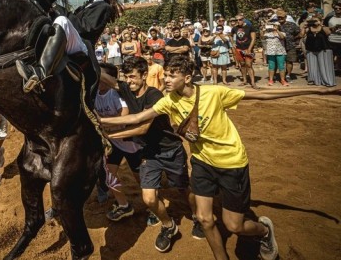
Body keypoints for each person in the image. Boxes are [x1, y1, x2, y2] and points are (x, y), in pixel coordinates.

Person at [100, 56, 339, 260]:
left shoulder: (214, 93)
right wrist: (97, 121)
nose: (166, 80)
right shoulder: (168, 100)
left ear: (188, 76)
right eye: (166, 76)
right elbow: (135, 119)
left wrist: (319, 89)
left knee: (234, 224)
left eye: (172, 76)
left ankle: (264, 231)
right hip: (202, 162)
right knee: (205, 219)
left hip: (231, 162)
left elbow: (262, 95)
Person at [103, 56, 203, 251]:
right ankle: (168, 226)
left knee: (182, 187)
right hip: (149, 153)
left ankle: (198, 216)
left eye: (133, 77)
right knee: (148, 198)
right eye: (127, 77)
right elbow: (104, 77)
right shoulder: (125, 88)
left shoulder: (154, 95)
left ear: (144, 75)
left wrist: (109, 134)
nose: (129, 81)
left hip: (170, 150)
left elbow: (142, 128)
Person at [16, 0, 122, 93]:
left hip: (83, 45)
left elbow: (86, 27)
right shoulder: (86, 5)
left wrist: (57, 8)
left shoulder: (104, 7)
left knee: (62, 20)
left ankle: (41, 72)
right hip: (73, 40)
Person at [95, 63, 139, 222]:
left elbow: (124, 118)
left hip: (131, 144)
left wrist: (102, 123)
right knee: (109, 177)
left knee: (141, 180)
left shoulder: (117, 95)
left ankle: (153, 208)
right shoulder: (94, 94)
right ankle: (124, 205)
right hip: (114, 144)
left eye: (99, 76)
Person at [300, 14, 335, 87]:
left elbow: (328, 33)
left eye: (315, 20)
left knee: (324, 66)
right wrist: (304, 27)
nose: (313, 22)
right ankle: (314, 80)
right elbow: (301, 35)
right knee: (312, 66)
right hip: (311, 49)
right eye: (312, 21)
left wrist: (321, 25)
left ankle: (327, 81)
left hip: (324, 49)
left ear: (320, 21)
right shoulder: (308, 28)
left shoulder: (324, 28)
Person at [232, 14, 259, 89]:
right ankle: (244, 80)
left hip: (247, 48)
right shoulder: (235, 28)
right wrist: (233, 43)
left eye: (240, 19)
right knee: (242, 65)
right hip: (239, 49)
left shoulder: (250, 27)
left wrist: (250, 49)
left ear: (243, 19)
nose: (238, 21)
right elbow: (230, 35)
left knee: (249, 65)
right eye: (237, 20)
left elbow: (253, 39)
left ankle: (253, 82)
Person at [260, 21, 288, 86]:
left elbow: (282, 37)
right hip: (270, 52)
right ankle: (271, 80)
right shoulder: (268, 34)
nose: (273, 26)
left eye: (275, 25)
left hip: (280, 52)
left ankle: (283, 80)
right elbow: (262, 37)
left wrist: (277, 31)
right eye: (273, 25)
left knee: (281, 66)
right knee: (271, 66)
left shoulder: (282, 33)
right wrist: (262, 30)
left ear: (279, 26)